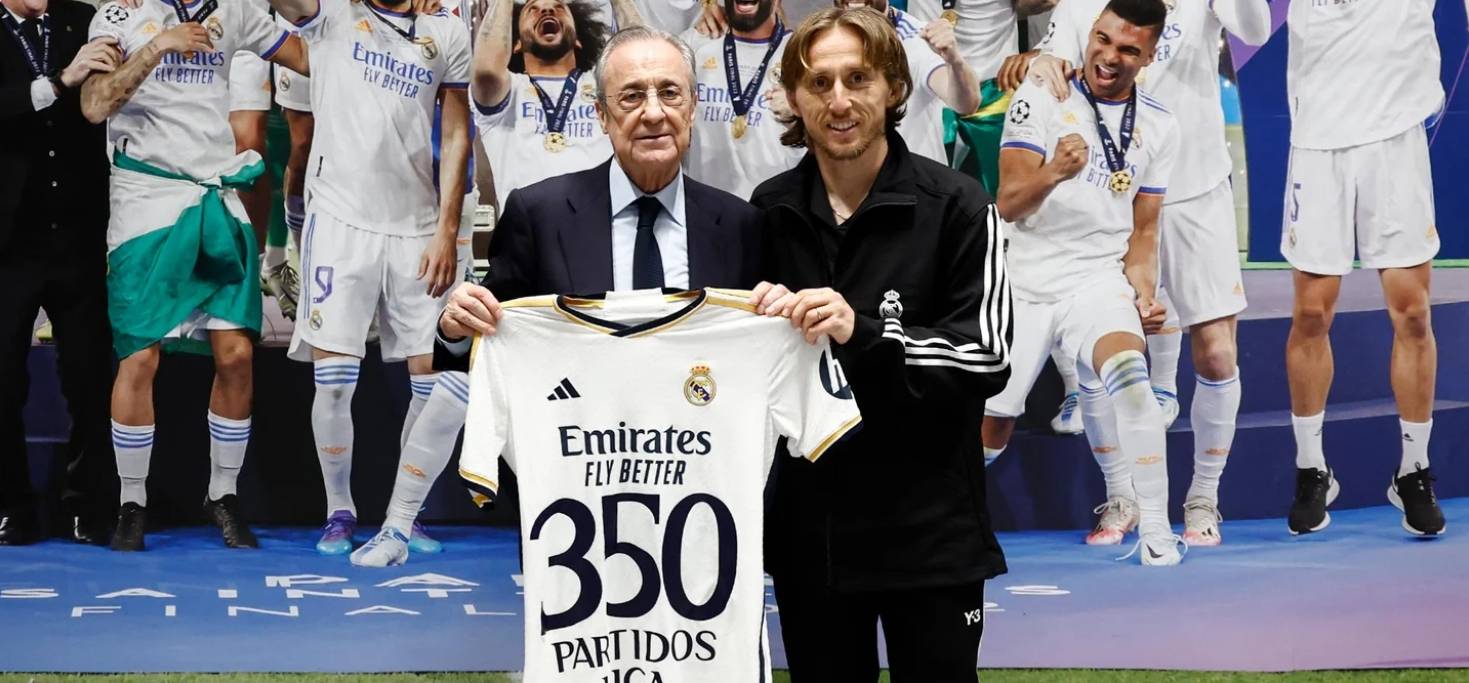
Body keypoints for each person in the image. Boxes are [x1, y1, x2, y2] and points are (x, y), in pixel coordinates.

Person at [350, 26, 768, 567]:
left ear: (692, 108)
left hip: (703, 506)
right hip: (575, 509)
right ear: (602, 116)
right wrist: (455, 330)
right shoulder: (539, 215)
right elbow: (489, 347)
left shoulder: (741, 226)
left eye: (670, 93)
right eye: (631, 96)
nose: (653, 112)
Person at [751, 8, 1010, 680]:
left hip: (931, 534)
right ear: (793, 98)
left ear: (894, 87)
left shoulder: (957, 204)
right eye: (819, 83)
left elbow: (985, 355)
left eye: (857, 79)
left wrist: (860, 331)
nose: (838, 101)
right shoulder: (768, 210)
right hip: (814, 539)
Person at [1021, 0, 1270, 546]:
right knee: (1096, 359)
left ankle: (1203, 498)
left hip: (1197, 191)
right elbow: (1053, 62)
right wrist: (1041, 63)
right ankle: (1121, 496)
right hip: (1109, 198)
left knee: (1217, 354)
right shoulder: (1085, 6)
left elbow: (1256, 30)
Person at [79, 0, 307, 552]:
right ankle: (132, 501)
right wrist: (159, 46)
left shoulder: (236, 10)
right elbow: (94, 104)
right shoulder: (119, 17)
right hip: (145, 200)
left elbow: (310, 56)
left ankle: (223, 494)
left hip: (214, 195)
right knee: (140, 356)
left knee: (237, 355)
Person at [266, 0, 471, 556]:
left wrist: (447, 228)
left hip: (417, 225)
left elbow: (457, 135)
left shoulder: (446, 30)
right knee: (334, 379)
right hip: (339, 219)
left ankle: (408, 512)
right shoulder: (330, 13)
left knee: (433, 378)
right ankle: (339, 510)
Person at [985, 0, 1183, 563]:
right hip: (1020, 281)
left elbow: (1144, 230)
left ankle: (1156, 531)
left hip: (1095, 278)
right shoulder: (1043, 94)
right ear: (1091, 33)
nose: (1109, 56)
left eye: (1128, 49)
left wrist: (1142, 289)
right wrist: (1054, 172)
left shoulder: (1161, 124)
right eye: (1103, 39)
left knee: (1133, 383)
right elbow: (1009, 203)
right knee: (992, 427)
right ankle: (946, 524)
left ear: (1149, 57)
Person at [1281, 0, 1446, 537]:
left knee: (1413, 314)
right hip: (1318, 140)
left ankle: (1414, 469)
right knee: (1311, 314)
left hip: (1395, 139)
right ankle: (1312, 469)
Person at [0, 0, 118, 546]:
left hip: (79, 232)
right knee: (4, 381)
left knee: (89, 376)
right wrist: (58, 81)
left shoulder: (84, 18)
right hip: (9, 242)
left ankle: (87, 504)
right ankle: (13, 506)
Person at [473, 0, 632, 210]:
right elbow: (486, 70)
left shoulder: (603, 84)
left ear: (578, 40)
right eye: (533, 9)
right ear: (517, 43)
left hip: (601, 224)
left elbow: (647, 60)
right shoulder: (509, 91)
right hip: (528, 228)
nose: (547, 10)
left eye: (559, 8)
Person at [683, 0, 802, 199]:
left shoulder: (801, 53)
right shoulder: (693, 45)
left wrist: (801, 110)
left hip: (772, 208)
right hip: (702, 207)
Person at [835, 0, 980, 163]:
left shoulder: (917, 39)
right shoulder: (825, 41)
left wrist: (955, 62)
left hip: (913, 176)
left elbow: (966, 104)